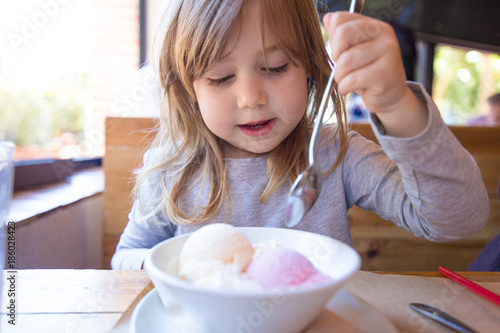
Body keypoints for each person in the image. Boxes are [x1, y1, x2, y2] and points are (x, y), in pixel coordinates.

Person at [111, 0, 489, 270]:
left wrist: (396, 106)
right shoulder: (170, 172)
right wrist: (179, 266)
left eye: (275, 67)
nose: (250, 98)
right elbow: (126, 257)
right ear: (189, 88)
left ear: (309, 66)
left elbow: (456, 220)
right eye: (221, 78)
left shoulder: (335, 157)